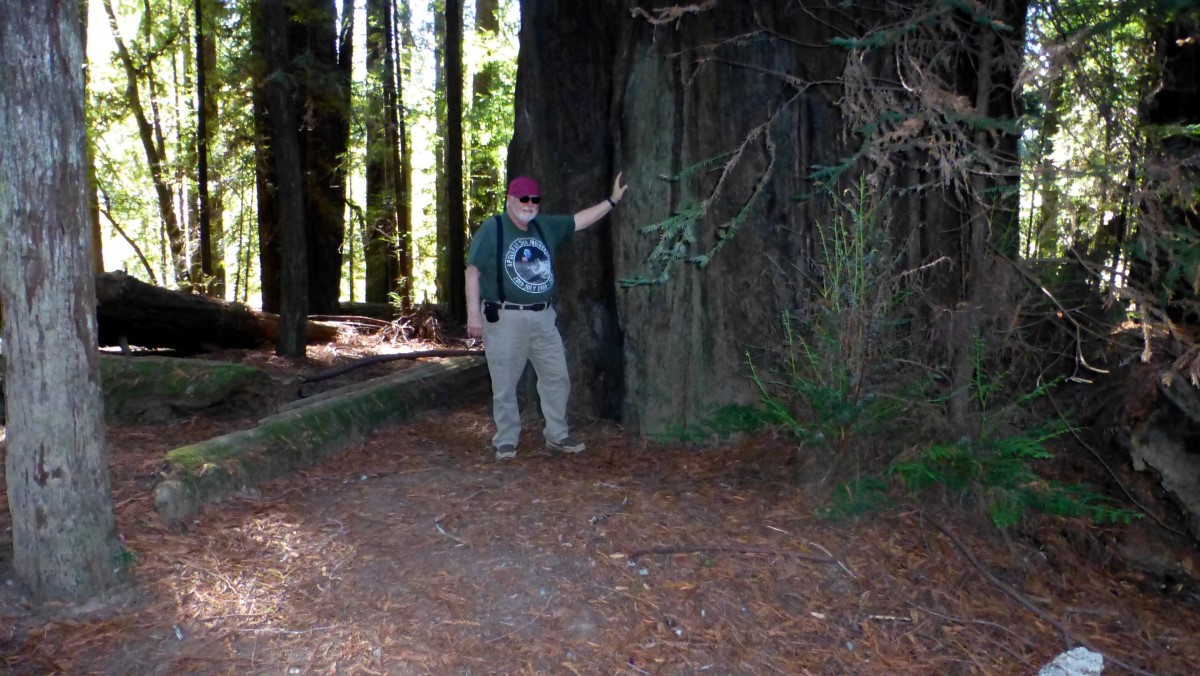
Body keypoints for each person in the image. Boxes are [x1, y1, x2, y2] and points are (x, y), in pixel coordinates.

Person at [466, 173, 629, 460]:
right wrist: (473, 317)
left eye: (534, 200)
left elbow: (580, 220)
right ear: (510, 200)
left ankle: (557, 435)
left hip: (543, 317)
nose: (529, 205)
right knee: (504, 382)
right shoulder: (495, 228)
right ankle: (505, 440)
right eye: (523, 199)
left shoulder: (545, 226)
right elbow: (472, 271)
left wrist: (612, 201)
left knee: (557, 377)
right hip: (505, 318)